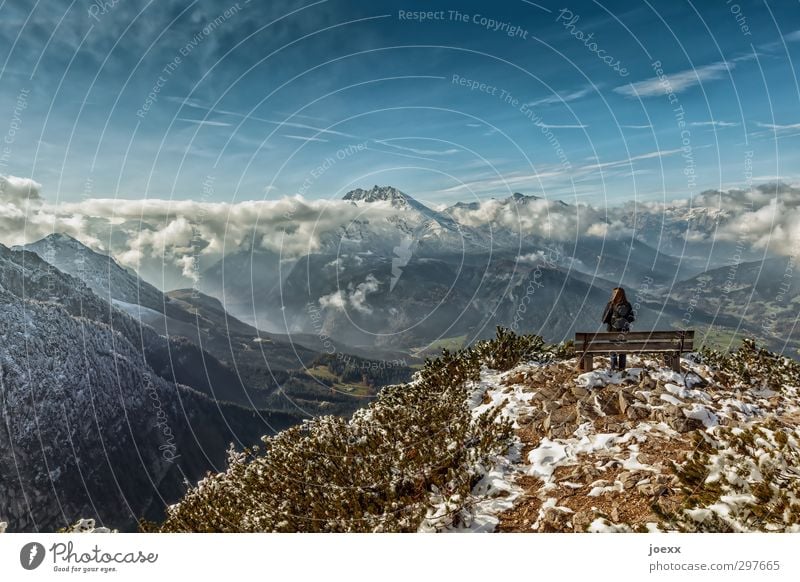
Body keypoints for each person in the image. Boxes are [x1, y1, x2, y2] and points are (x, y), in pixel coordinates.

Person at [601, 287, 635, 371]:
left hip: (612, 332)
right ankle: (622, 368)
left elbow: (604, 320)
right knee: (622, 350)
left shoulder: (610, 305)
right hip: (624, 332)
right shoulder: (628, 305)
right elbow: (632, 318)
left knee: (613, 350)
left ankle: (614, 367)